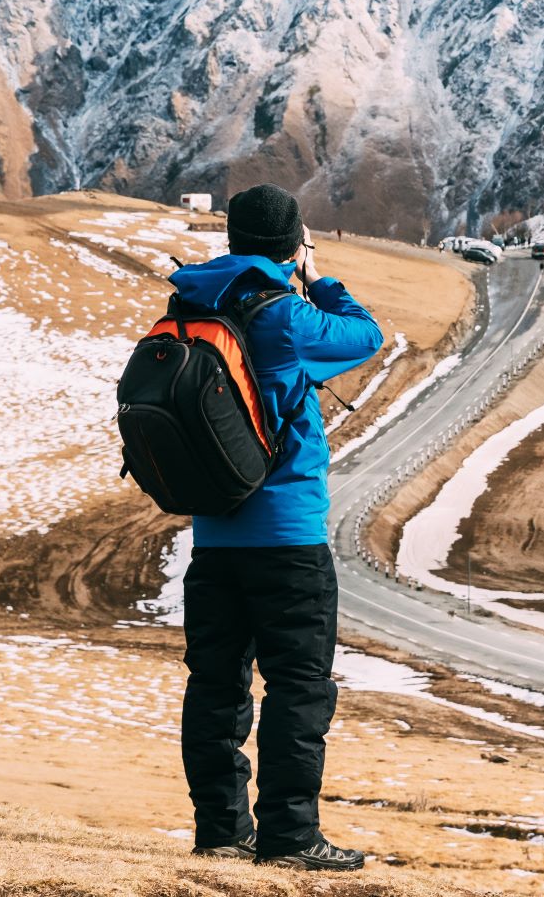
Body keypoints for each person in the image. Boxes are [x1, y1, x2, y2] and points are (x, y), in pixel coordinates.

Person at [174, 184, 383, 871]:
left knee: (215, 685)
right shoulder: (287, 315)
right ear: (292, 244)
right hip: (287, 536)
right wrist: (320, 278)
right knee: (297, 687)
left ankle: (220, 832)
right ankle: (292, 837)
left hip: (213, 535)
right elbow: (366, 334)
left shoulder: (192, 303)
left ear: (233, 240)